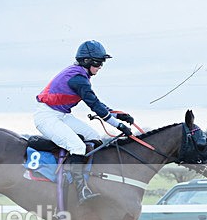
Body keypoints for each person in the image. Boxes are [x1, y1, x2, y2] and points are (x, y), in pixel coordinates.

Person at [34, 40, 134, 204]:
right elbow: (95, 106)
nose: (100, 67)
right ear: (87, 61)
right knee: (78, 147)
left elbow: (98, 103)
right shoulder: (78, 79)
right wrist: (119, 126)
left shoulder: (81, 74)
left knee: (94, 137)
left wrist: (119, 116)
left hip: (62, 115)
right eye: (98, 63)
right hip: (47, 117)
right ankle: (81, 190)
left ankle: (86, 176)